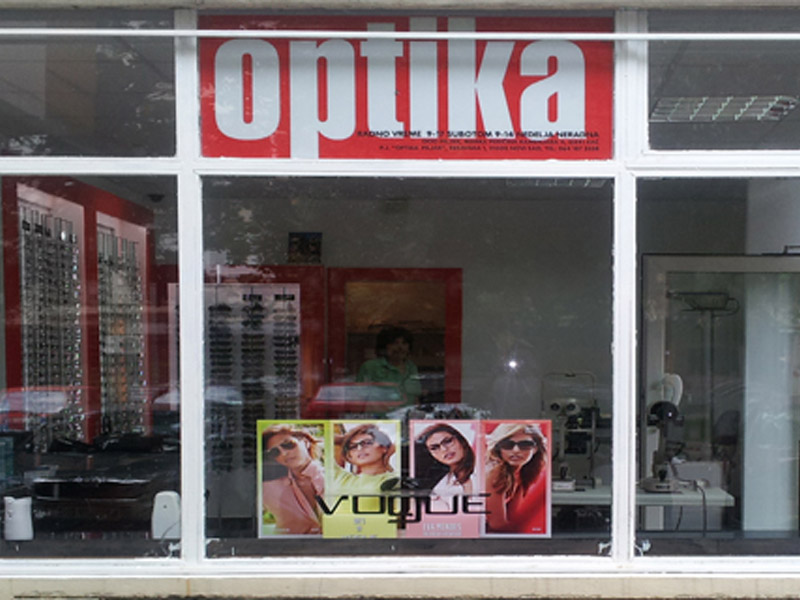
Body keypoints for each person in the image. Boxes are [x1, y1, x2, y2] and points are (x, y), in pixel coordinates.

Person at [484, 422, 548, 534]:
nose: (516, 450)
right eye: (507, 445)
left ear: (535, 449)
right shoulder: (495, 473)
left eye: (525, 445)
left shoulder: (521, 472)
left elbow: (513, 516)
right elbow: (497, 524)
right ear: (498, 448)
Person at [261, 423, 324, 535]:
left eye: (288, 444)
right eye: (275, 452)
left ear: (306, 442)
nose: (284, 453)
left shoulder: (336, 478)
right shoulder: (268, 488)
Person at [415, 422, 475, 510]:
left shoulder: (485, 466)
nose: (444, 449)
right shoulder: (439, 490)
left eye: (448, 441)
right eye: (434, 448)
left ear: (461, 440)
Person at [357, 326, 422, 403]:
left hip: (408, 411)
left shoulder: (411, 367)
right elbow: (359, 397)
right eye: (395, 343)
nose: (400, 347)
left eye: (404, 343)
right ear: (385, 346)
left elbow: (415, 397)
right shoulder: (370, 366)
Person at [333, 423, 398, 494]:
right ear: (350, 456)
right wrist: (344, 439)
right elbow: (324, 439)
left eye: (367, 443)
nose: (359, 448)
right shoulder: (342, 478)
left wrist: (388, 455)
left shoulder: (393, 480)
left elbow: (404, 437)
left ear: (384, 447)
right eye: (353, 446)